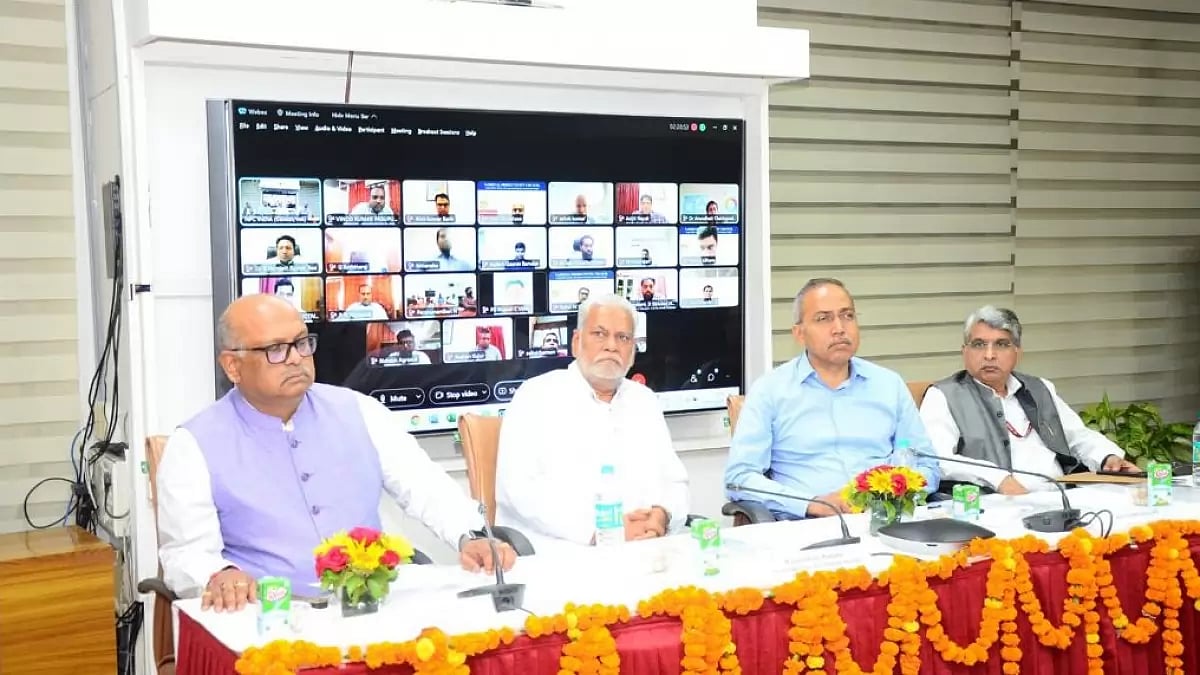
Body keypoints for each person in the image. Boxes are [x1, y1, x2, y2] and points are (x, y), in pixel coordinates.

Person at [156, 295, 514, 611]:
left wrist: (472, 536)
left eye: (301, 343)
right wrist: (218, 575)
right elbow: (184, 553)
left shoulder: (360, 411)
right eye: (276, 350)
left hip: (369, 607)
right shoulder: (194, 444)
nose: (296, 359)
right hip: (268, 619)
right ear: (232, 366)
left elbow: (424, 486)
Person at [724, 278, 940, 519]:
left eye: (847, 315)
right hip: (808, 524)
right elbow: (739, 479)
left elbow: (927, 465)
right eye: (823, 318)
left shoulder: (889, 385)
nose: (839, 328)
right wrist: (811, 504)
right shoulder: (770, 391)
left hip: (885, 519)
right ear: (799, 333)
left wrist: (896, 492)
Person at [494, 294, 689, 552]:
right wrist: (603, 531)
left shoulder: (645, 401)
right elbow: (517, 492)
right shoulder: (535, 396)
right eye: (599, 334)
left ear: (632, 350)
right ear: (576, 342)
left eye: (623, 337)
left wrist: (663, 515)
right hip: (565, 556)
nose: (611, 346)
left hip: (648, 552)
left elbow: (674, 481)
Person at [920, 306, 1138, 494]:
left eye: (1001, 344)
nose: (989, 355)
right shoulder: (943, 396)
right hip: (996, 503)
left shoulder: (1039, 388)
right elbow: (938, 457)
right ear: (964, 351)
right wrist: (999, 479)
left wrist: (1108, 458)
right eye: (979, 344)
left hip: (1060, 496)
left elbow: (1076, 435)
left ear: (1017, 352)